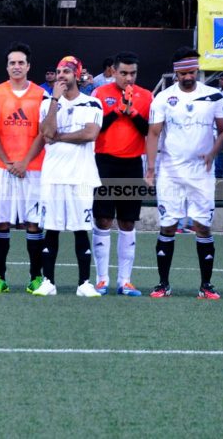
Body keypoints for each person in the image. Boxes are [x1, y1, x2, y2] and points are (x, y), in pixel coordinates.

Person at [145, 47, 223, 299]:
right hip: (170, 172)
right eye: (183, 72)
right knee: (168, 226)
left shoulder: (214, 96)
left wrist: (213, 152)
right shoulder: (162, 99)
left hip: (201, 173)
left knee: (202, 227)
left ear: (197, 70)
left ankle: (206, 286)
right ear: (175, 73)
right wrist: (150, 168)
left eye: (191, 71)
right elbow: (154, 133)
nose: (188, 76)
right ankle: (163, 284)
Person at [33, 56, 103, 298]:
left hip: (82, 177)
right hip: (53, 176)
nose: (62, 75)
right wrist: (54, 99)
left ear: (77, 75)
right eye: (59, 71)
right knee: (50, 230)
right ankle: (48, 282)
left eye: (67, 71)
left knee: (81, 229)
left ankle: (84, 283)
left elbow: (90, 134)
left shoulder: (92, 103)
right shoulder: (47, 103)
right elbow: (46, 133)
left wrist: (59, 137)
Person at [0, 43, 48, 295]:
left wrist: (23, 162)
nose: (17, 67)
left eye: (21, 62)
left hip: (33, 168)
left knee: (33, 223)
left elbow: (43, 133)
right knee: (1, 223)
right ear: (7, 66)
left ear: (29, 66)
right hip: (2, 168)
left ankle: (35, 278)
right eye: (12, 63)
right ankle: (0, 278)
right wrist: (9, 163)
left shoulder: (41, 94)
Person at [90, 52, 151, 296]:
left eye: (132, 73)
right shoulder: (99, 94)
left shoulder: (146, 96)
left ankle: (125, 280)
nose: (128, 78)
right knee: (103, 219)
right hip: (104, 163)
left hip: (132, 164)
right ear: (113, 72)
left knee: (127, 221)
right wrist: (118, 111)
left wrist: (133, 112)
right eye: (123, 73)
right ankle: (102, 278)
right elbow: (94, 129)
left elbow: (150, 131)